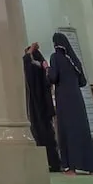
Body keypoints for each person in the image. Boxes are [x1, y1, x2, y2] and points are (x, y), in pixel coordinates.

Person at [47, 32, 93, 174]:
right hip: (77, 99)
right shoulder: (74, 59)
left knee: (67, 131)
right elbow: (83, 82)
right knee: (81, 130)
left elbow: (53, 77)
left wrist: (46, 69)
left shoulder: (55, 57)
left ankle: (70, 167)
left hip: (64, 98)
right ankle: (90, 167)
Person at [22, 43, 61, 172]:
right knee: (49, 134)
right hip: (46, 106)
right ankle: (54, 162)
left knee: (42, 134)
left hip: (38, 107)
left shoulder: (34, 67)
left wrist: (30, 50)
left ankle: (49, 162)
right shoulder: (43, 67)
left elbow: (26, 60)